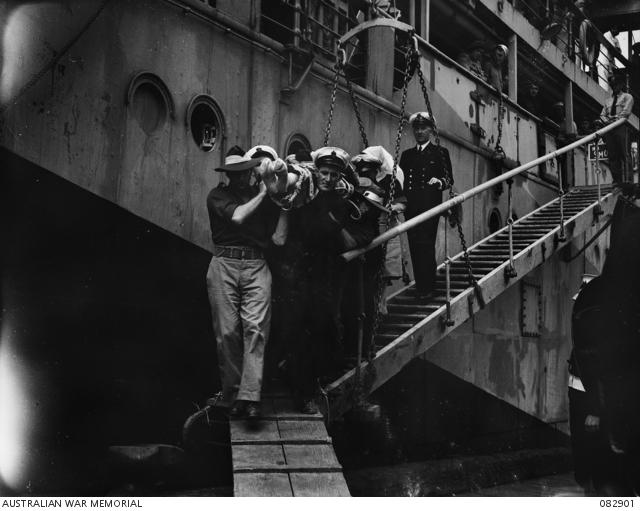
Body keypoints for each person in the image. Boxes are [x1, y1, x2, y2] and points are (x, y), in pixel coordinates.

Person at [284, 147, 377, 413]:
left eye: (333, 174)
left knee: (322, 330)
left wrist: (335, 224)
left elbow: (356, 231)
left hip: (326, 274)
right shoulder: (305, 196)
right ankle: (302, 392)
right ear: (317, 172)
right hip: (301, 272)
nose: (327, 178)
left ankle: (309, 387)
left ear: (339, 176)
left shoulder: (341, 202)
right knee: (301, 330)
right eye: (324, 172)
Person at [205, 145, 287, 419]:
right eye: (234, 173)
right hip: (224, 265)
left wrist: (272, 186)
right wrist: (264, 194)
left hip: (255, 265)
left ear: (250, 171)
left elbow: (284, 211)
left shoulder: (262, 194)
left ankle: (250, 398)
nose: (240, 177)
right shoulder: (218, 195)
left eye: (244, 172)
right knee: (227, 332)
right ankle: (234, 393)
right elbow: (239, 216)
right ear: (228, 175)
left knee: (256, 330)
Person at [399, 112, 453, 297]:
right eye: (417, 128)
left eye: (424, 128)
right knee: (415, 245)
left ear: (431, 130)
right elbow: (401, 182)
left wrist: (440, 182)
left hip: (430, 206)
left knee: (426, 244)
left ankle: (428, 287)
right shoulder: (407, 155)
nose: (420, 131)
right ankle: (421, 286)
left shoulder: (440, 152)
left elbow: (449, 179)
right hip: (411, 208)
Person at [598, 73, 634, 183]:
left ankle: (628, 180)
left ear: (621, 84)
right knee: (613, 156)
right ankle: (617, 180)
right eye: (612, 85)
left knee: (624, 154)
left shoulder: (627, 97)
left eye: (616, 84)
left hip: (621, 128)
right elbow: (602, 115)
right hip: (609, 129)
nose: (614, 87)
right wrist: (609, 120)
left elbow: (626, 113)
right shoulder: (608, 101)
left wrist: (613, 118)